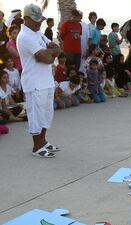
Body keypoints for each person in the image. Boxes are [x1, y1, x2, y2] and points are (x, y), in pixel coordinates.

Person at [17, 4, 62, 158]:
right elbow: (45, 58)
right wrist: (50, 53)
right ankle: (36, 146)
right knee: (36, 115)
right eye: (36, 20)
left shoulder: (38, 34)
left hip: (46, 80)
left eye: (40, 20)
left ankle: (43, 141)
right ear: (26, 19)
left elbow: (57, 49)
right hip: (34, 83)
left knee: (46, 113)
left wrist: (49, 53)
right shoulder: (25, 36)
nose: (39, 23)